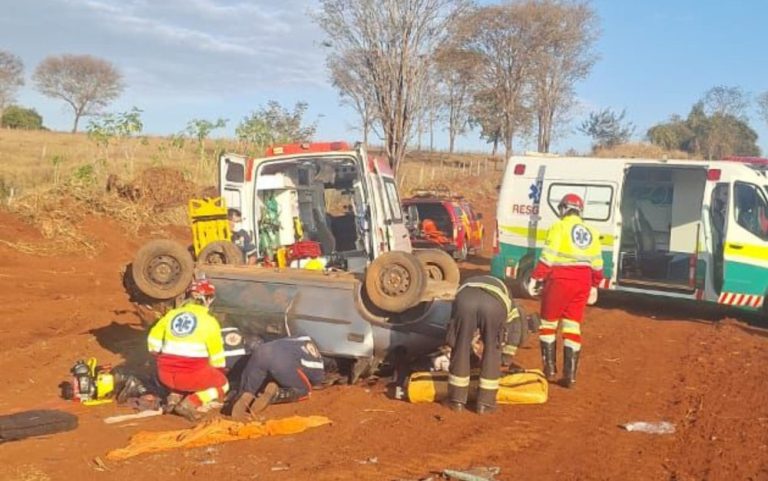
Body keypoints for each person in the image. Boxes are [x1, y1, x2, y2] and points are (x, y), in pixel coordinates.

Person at [528, 193, 603, 388]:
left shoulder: (558, 227)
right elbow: (597, 263)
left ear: (563, 209)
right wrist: (594, 285)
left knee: (548, 323)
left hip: (560, 280)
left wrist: (536, 277)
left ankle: (549, 369)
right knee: (572, 326)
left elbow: (548, 256)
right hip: (583, 282)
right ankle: (570, 376)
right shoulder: (591, 231)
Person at [147, 279, 229, 421]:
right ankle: (191, 403)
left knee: (182, 375)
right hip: (190, 376)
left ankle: (173, 397)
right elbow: (217, 358)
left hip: (164, 375)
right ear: (208, 299)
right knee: (223, 385)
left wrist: (160, 358)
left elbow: (153, 343)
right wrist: (219, 372)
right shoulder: (210, 322)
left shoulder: (172, 315)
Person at [444, 275, 521, 414]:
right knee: (492, 350)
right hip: (493, 305)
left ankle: (456, 401)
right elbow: (515, 329)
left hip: (465, 300)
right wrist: (506, 357)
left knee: (460, 347)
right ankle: (485, 404)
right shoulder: (509, 298)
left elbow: (452, 336)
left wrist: (468, 354)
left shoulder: (466, 285)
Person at [230, 336, 325, 421]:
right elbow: (316, 382)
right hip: (281, 363)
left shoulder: (302, 338)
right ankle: (275, 393)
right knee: (305, 390)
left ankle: (245, 395)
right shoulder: (319, 366)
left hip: (262, 350)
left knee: (251, 385)